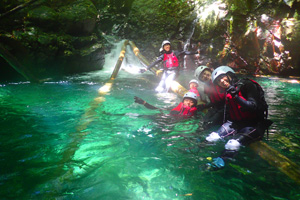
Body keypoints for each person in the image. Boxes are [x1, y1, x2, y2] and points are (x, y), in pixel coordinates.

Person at [205, 66, 272, 169]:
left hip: (253, 124)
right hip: (236, 123)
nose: (222, 81)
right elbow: (226, 109)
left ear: (229, 74)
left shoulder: (248, 85)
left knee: (232, 144)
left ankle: (217, 165)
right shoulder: (228, 90)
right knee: (212, 137)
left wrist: (236, 97)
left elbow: (254, 106)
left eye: (223, 77)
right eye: (219, 81)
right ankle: (202, 157)